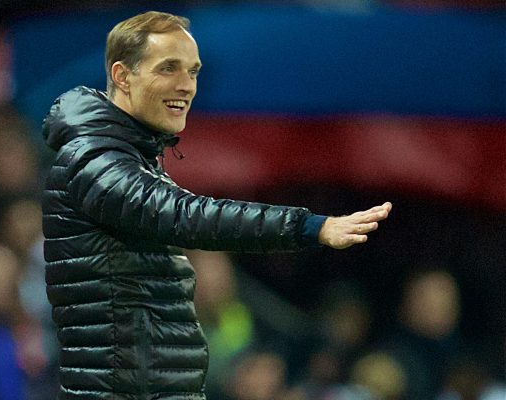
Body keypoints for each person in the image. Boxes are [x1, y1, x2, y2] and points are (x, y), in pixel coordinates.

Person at [41, 11, 392, 399]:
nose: (186, 85)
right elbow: (188, 216)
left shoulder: (130, 158)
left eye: (193, 71)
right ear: (123, 75)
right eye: (168, 68)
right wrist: (309, 226)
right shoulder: (93, 160)